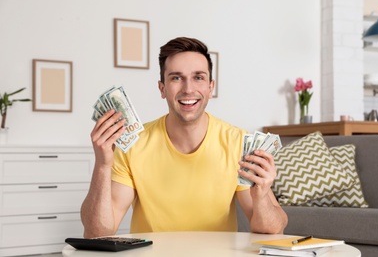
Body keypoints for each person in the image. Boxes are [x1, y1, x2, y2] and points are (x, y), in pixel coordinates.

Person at [81, 37, 287, 238]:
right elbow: (98, 232)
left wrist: (261, 197)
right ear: (162, 88)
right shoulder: (134, 145)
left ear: (210, 87)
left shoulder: (238, 143)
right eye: (176, 78)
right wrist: (102, 165)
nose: (188, 89)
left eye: (198, 77)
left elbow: (273, 231)